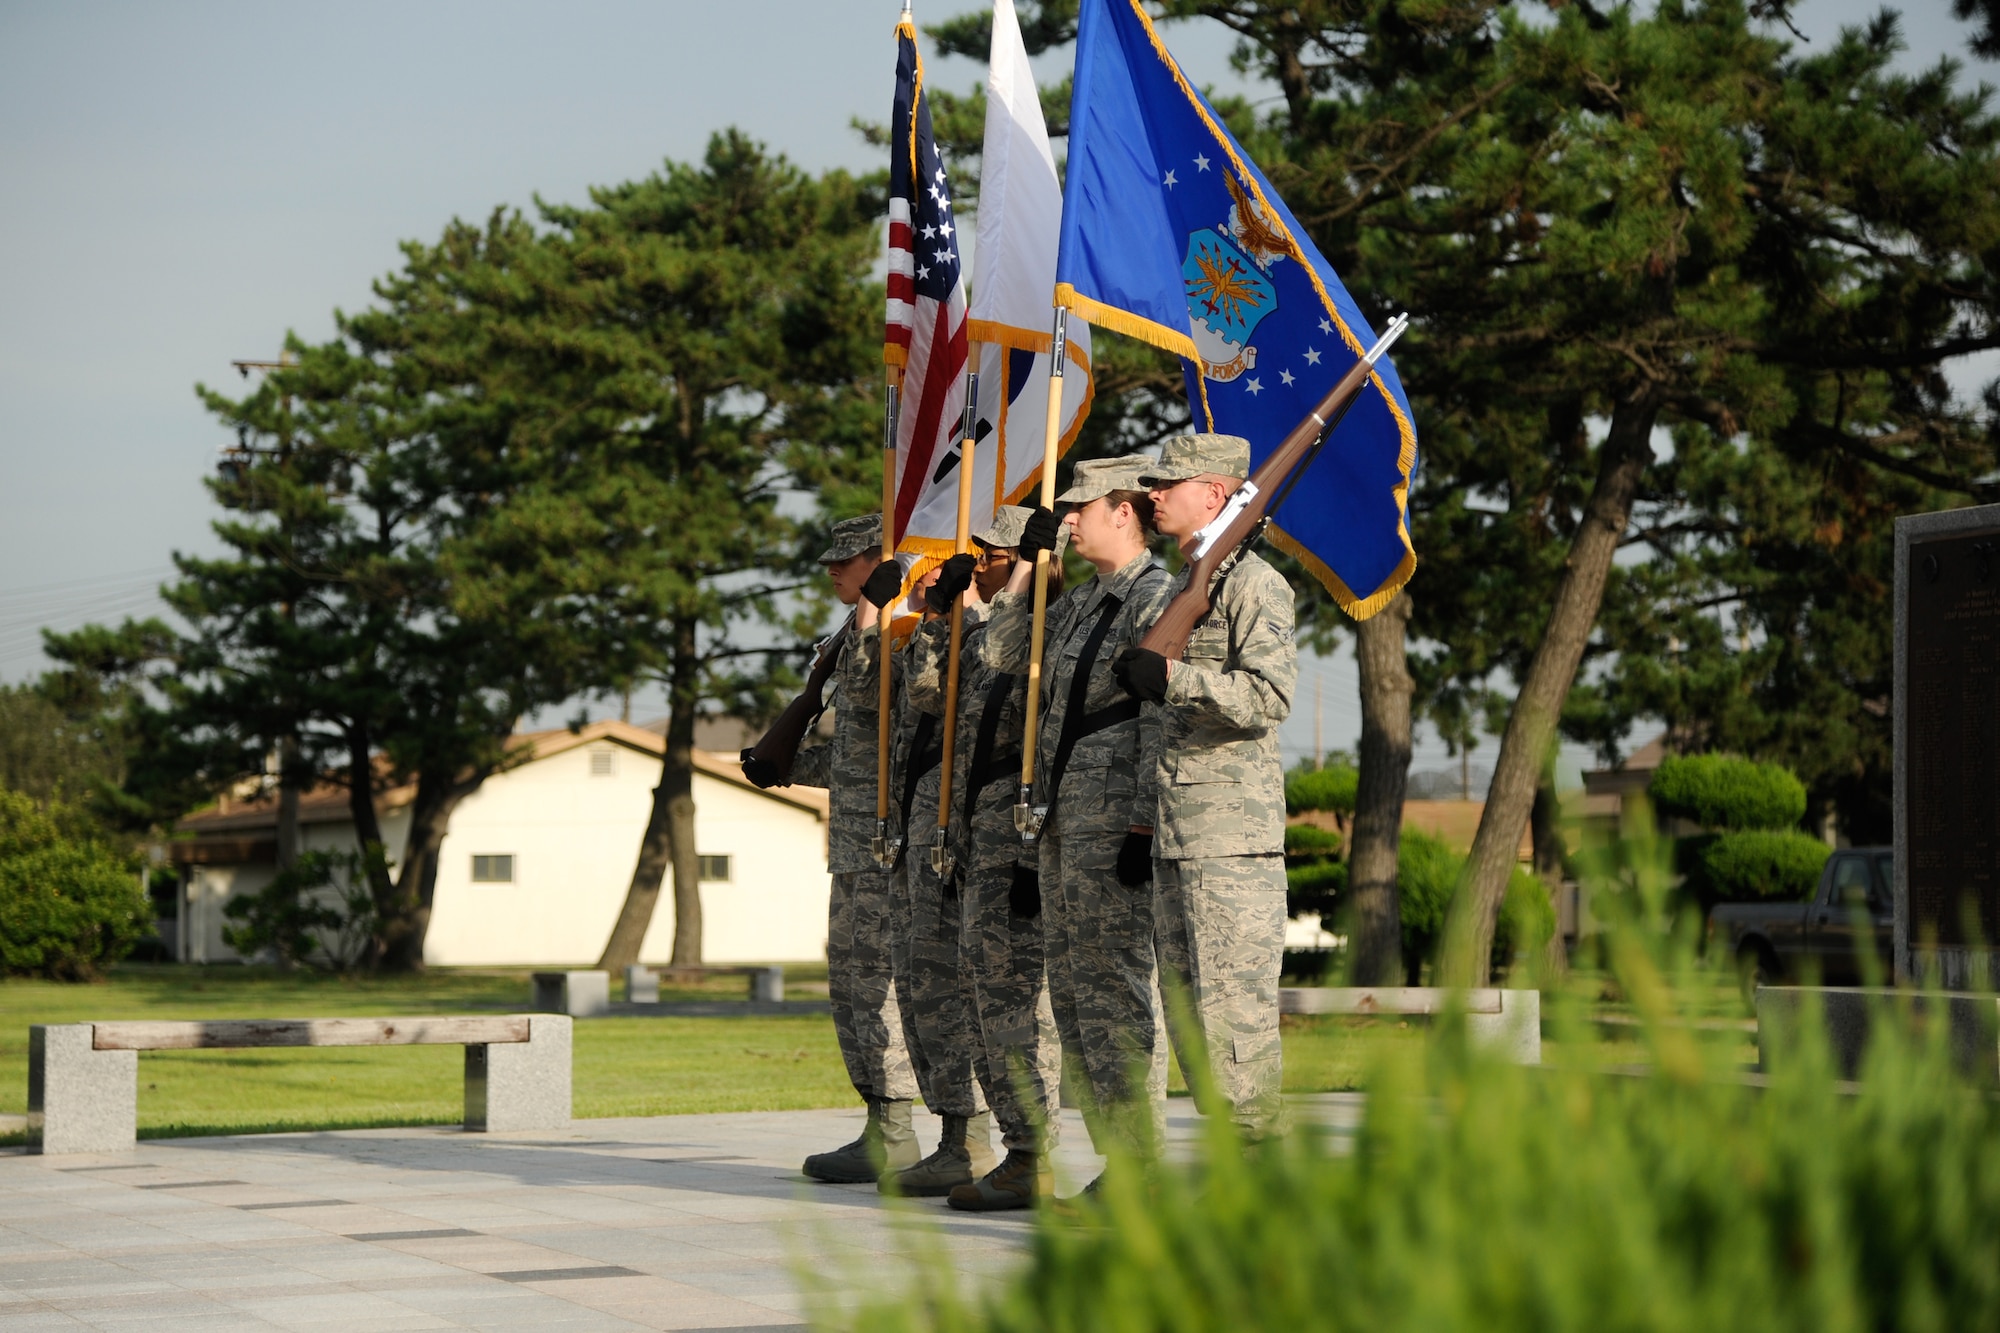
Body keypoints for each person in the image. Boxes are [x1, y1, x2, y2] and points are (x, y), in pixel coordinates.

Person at [981, 460, 1174, 1186]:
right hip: (1062, 823)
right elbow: (1002, 656)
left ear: (1124, 511)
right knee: (1075, 999)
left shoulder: (1156, 597)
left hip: (1113, 822)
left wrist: (1143, 828)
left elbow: (1158, 718)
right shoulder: (1085, 601)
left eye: (1079, 509)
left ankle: (1141, 1167)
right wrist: (1031, 572)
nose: (1068, 519)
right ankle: (1117, 1164)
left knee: (1116, 997)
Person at [1116, 434, 1298, 1142]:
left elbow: (1269, 696)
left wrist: (1172, 678)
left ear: (1216, 493)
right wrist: (1141, 825)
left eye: (1169, 482)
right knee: (1192, 1021)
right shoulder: (1189, 582)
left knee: (1235, 1022)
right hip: (1176, 836)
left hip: (1231, 845)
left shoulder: (1254, 584)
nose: (1152, 494)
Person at [904, 508, 1067, 1210]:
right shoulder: (990, 629)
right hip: (975, 829)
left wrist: (1025, 577)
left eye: (995, 559)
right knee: (979, 992)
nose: (987, 571)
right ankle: (1010, 1148)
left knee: (1012, 998)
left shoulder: (1050, 628)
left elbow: (1008, 659)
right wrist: (943, 614)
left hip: (1019, 829)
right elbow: (928, 693)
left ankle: (1032, 1154)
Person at [770, 514, 920, 1183]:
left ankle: (903, 1129)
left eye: (849, 560)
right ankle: (880, 1123)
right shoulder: (852, 629)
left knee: (889, 987)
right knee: (853, 985)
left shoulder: (899, 626)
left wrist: (872, 614)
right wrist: (784, 760)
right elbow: (861, 754)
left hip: (894, 840)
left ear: (883, 560)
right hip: (856, 836)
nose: (834, 570)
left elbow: (890, 716)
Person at [877, 564, 996, 1196]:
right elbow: (924, 694)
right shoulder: (947, 632)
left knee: (961, 989)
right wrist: (933, 618)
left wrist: (972, 611)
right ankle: (955, 1136)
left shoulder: (1009, 630)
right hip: (921, 826)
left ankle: (978, 1139)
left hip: (971, 832)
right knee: (923, 986)